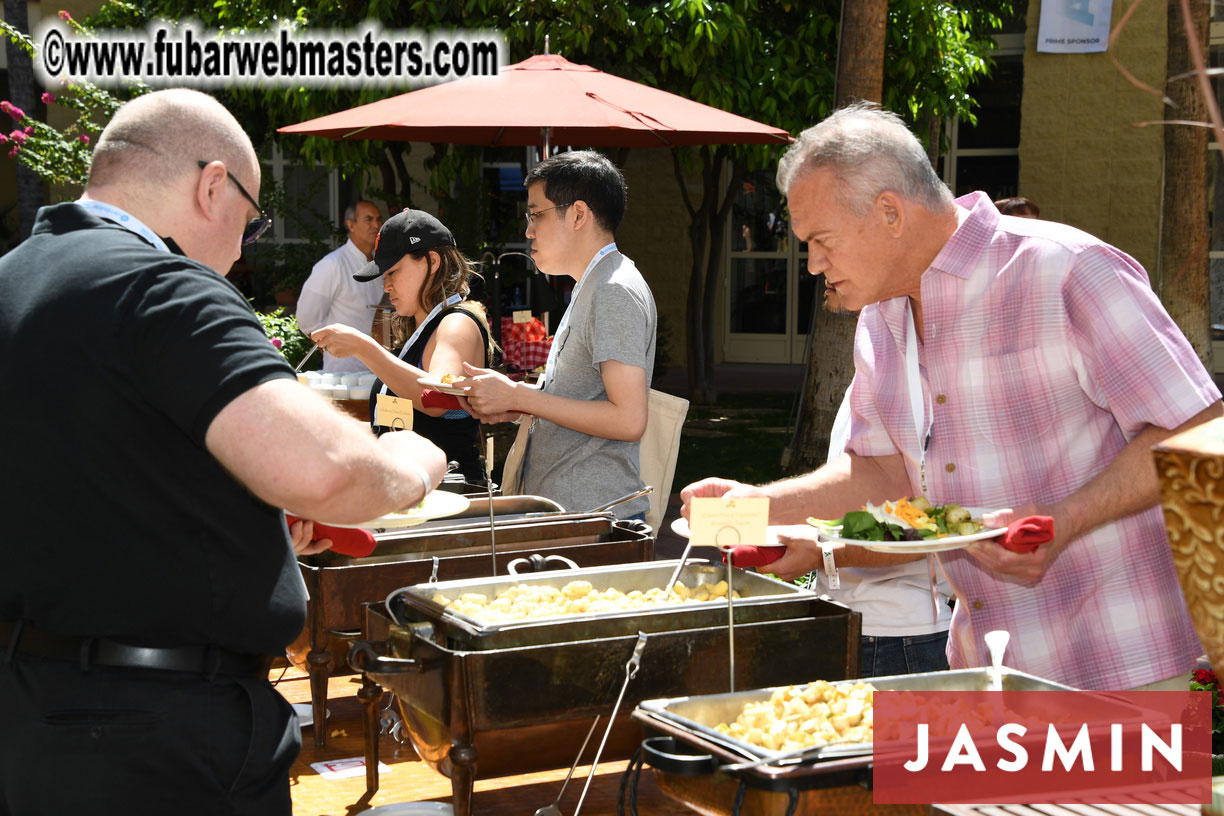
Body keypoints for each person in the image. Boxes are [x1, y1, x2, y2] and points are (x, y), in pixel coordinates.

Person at [0, 89, 447, 816]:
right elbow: (328, 470)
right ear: (213, 185)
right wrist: (412, 459)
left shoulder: (15, 279)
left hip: (30, 714)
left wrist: (236, 530)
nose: (241, 249)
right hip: (161, 740)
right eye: (248, 217)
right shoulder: (159, 285)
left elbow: (105, 473)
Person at [682, 102, 1221, 691]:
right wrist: (747, 509)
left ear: (889, 212)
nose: (812, 264)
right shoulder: (880, 317)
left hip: (1123, 667)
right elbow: (886, 475)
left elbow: (1201, 432)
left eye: (821, 240)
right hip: (979, 668)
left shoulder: (1067, 269)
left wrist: (1065, 521)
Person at [458, 150, 658, 520]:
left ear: (579, 214)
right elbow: (581, 399)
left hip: (594, 517)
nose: (528, 229)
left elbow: (628, 419)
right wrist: (513, 402)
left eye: (536, 214)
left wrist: (521, 396)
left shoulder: (613, 288)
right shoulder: (596, 282)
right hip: (576, 513)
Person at [310, 210, 495, 484]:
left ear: (432, 261)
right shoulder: (421, 328)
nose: (386, 286)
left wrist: (364, 347)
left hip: (448, 494)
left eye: (393, 272)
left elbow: (435, 398)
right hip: (413, 489)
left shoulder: (457, 323)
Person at [295, 199, 385, 374]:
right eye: (368, 219)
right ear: (351, 225)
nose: (376, 225)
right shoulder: (332, 264)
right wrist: (328, 344)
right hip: (345, 369)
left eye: (379, 219)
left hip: (381, 367)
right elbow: (307, 318)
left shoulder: (383, 264)